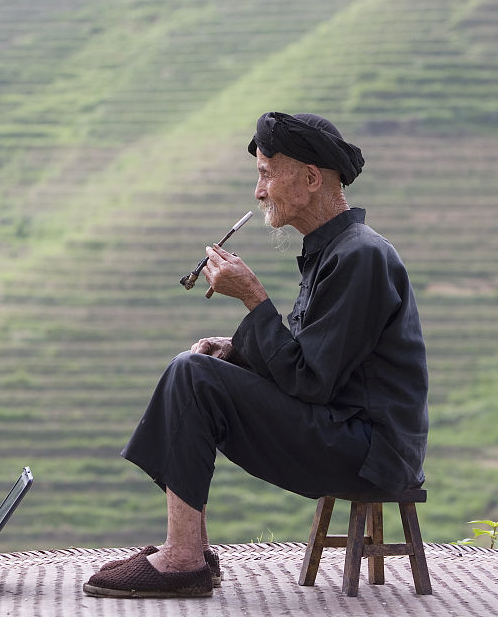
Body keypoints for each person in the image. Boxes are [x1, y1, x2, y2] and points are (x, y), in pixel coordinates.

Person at [84, 111, 428, 599]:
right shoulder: (334, 251)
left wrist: (253, 299)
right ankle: (191, 552)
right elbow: (310, 361)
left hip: (369, 452)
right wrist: (237, 350)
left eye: (266, 173)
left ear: (310, 179)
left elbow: (311, 381)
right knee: (200, 370)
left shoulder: (360, 256)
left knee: (193, 376)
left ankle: (183, 561)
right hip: (344, 432)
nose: (258, 191)